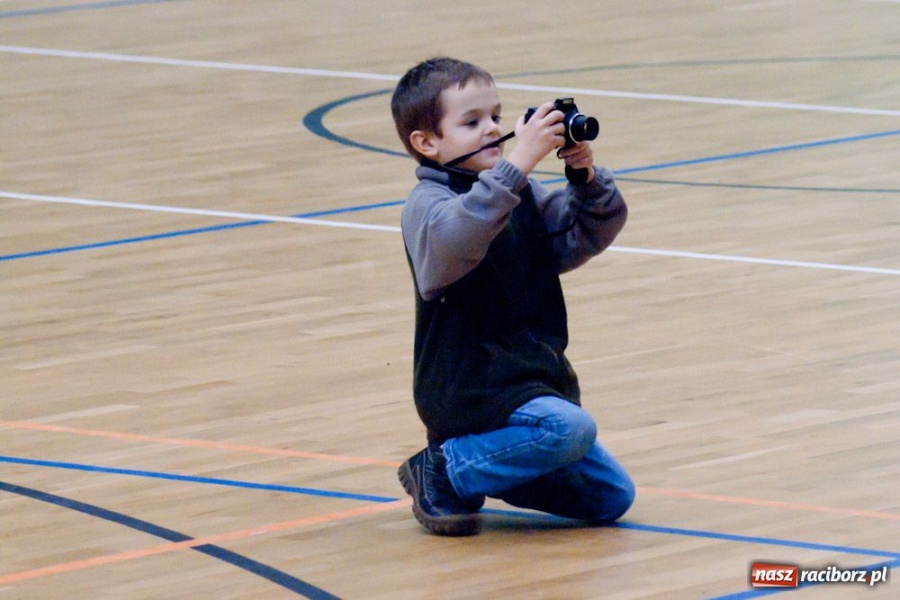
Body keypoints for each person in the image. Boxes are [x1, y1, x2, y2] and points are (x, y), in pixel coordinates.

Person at [390, 57, 635, 536]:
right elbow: (457, 242)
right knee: (570, 429)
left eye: (496, 118)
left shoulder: (516, 192)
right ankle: (446, 466)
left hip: (531, 376)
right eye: (472, 122)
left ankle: (476, 474)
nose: (492, 130)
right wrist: (517, 162)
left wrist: (584, 178)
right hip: (470, 387)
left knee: (611, 496)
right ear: (427, 143)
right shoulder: (428, 205)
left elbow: (579, 237)